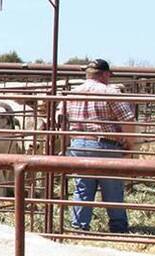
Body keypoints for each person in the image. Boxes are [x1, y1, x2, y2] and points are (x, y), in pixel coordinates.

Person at [59, 59, 138, 234]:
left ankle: (79, 227)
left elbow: (60, 117)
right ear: (105, 74)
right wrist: (129, 144)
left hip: (78, 143)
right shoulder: (109, 92)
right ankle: (118, 227)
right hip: (105, 145)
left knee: (82, 187)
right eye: (109, 75)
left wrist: (66, 142)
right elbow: (127, 119)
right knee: (113, 186)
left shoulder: (72, 92)